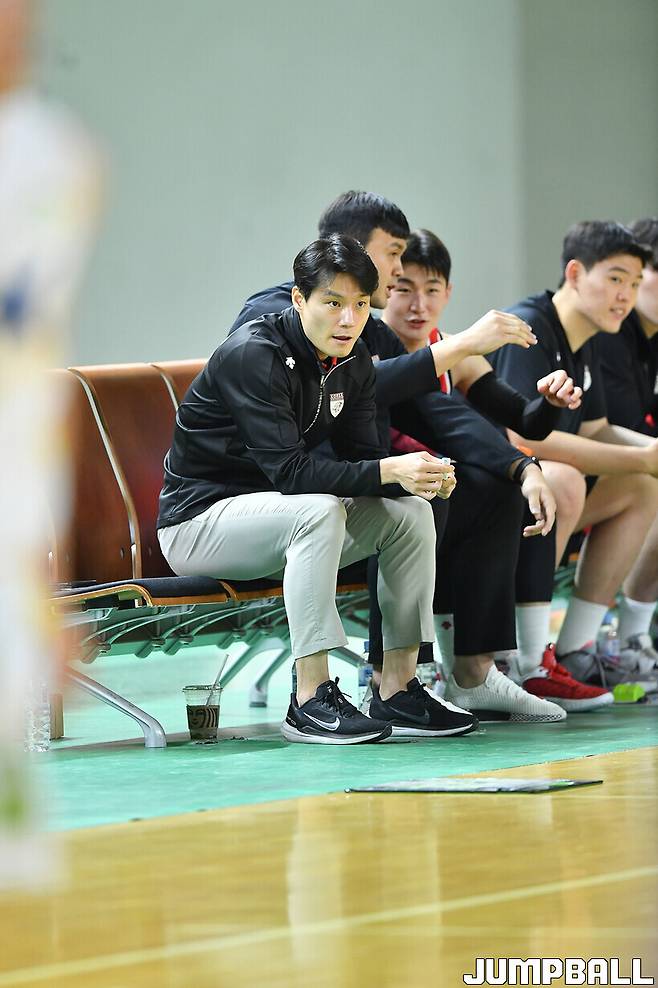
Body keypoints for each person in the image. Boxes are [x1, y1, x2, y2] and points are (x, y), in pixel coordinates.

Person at [231, 191, 569, 723]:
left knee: (485, 490)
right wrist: (457, 346)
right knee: (408, 494)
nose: (398, 269)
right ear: (349, 248)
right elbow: (351, 389)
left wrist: (521, 466)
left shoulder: (372, 330)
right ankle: (372, 680)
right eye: (394, 254)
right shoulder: (268, 317)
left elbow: (435, 410)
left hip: (337, 488)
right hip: (273, 498)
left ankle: (468, 674)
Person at [158, 234, 478, 744]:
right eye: (333, 303)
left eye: (360, 305)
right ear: (298, 299)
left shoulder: (353, 360)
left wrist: (420, 475)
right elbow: (291, 473)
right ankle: (309, 698)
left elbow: (361, 459)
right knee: (320, 510)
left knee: (411, 514)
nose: (348, 320)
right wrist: (389, 471)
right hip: (199, 525)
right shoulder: (254, 354)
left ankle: (398, 688)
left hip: (283, 526)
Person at [381, 229, 611, 712]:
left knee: (503, 492)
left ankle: (489, 668)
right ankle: (403, 675)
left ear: (449, 292)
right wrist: (522, 467)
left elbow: (522, 418)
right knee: (464, 490)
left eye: (432, 289)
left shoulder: (454, 354)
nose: (419, 304)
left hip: (438, 494)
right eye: (404, 289)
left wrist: (549, 403)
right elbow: (448, 422)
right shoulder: (376, 350)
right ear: (385, 289)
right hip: (385, 495)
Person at [491, 221, 658, 692]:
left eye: (633, 282)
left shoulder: (585, 338)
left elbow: (596, 429)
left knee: (642, 488)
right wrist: (644, 457)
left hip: (532, 502)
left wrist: (649, 454)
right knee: (561, 480)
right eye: (615, 278)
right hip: (487, 502)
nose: (625, 295)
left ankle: (578, 650)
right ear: (575, 273)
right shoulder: (529, 327)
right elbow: (527, 440)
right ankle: (517, 659)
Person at [594, 218, 658, 675]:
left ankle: (633, 637)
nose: (628, 291)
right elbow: (609, 427)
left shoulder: (648, 339)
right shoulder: (608, 334)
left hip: (622, 465)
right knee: (647, 484)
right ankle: (621, 640)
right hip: (567, 473)